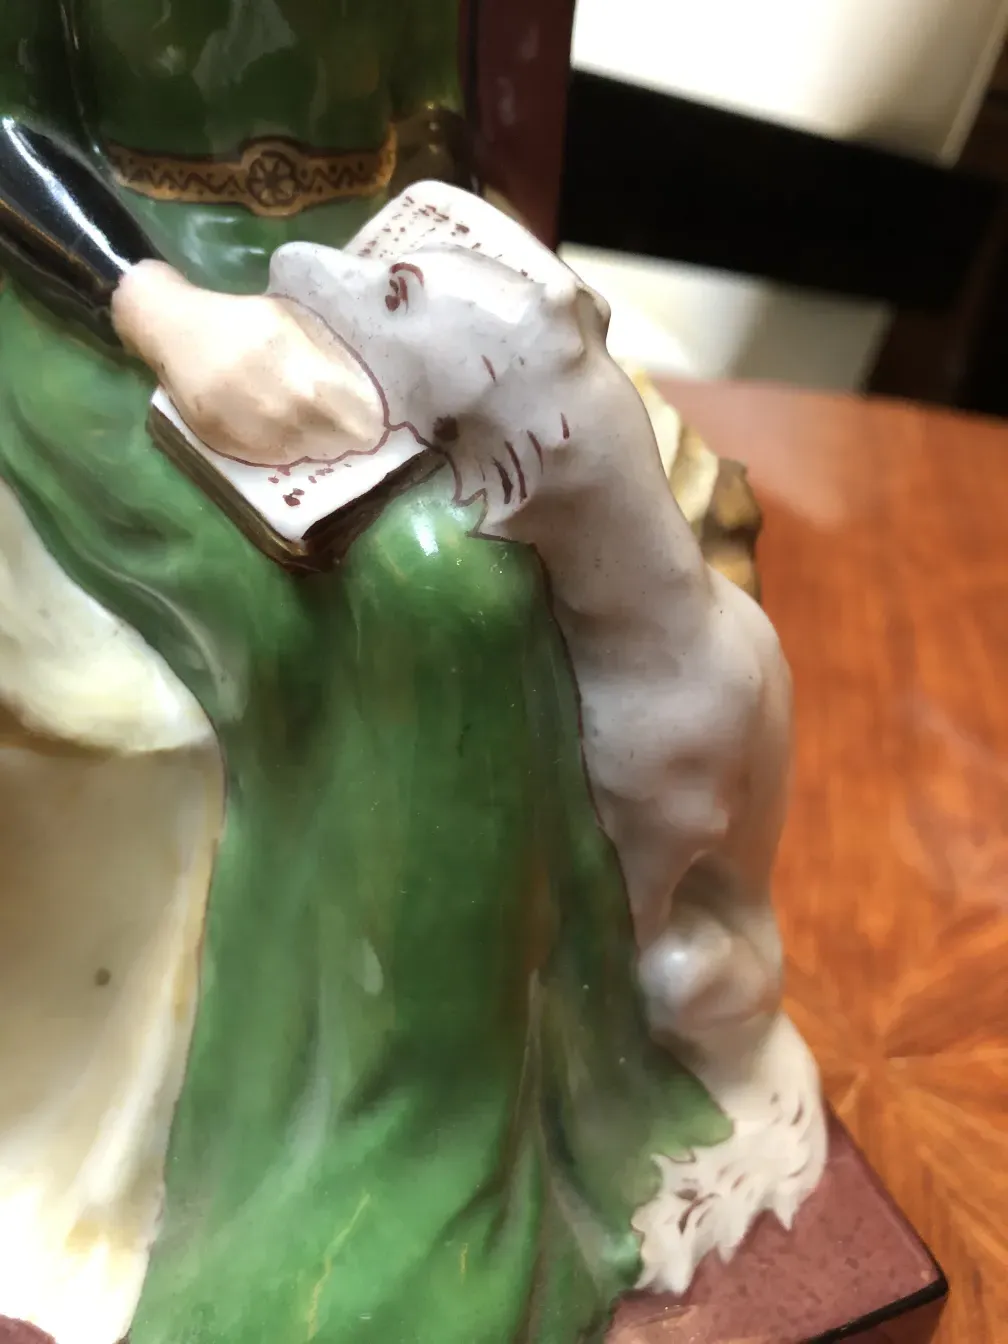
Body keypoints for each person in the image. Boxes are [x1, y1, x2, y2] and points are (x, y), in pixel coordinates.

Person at [0, 7, 751, 1344]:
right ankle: (381, 1182)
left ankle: (556, 1084)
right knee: (440, 584)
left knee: (563, 513)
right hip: (102, 302)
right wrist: (168, 315)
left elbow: (434, 119)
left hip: (366, 288)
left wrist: (421, 280)